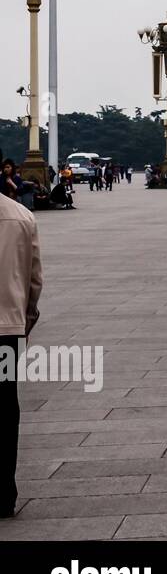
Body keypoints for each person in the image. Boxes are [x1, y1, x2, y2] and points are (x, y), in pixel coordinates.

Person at [0, 189, 41, 518]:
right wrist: (25, 318)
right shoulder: (21, 215)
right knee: (4, 407)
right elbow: (34, 278)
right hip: (7, 330)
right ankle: (3, 492)